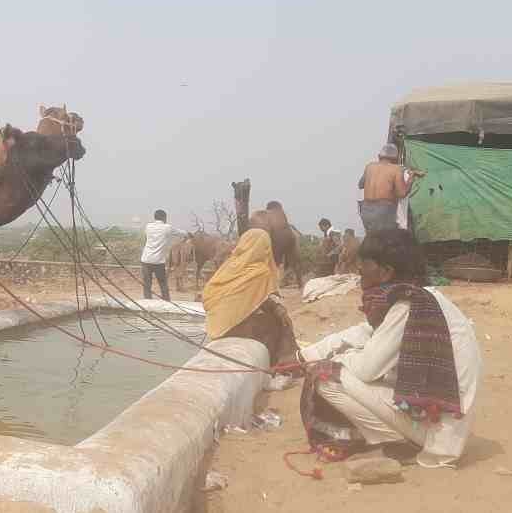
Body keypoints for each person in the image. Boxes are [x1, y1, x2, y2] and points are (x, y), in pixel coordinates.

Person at [296, 229, 481, 468]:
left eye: (365, 263)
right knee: (342, 364)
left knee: (324, 375)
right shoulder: (422, 299)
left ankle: (394, 442)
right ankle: (396, 438)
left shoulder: (408, 306)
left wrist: (335, 357)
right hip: (442, 426)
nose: (359, 268)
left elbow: (366, 370)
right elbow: (364, 333)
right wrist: (306, 354)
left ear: (386, 272)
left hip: (435, 432)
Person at [202, 221, 298, 367]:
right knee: (277, 323)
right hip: (236, 328)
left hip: (216, 326)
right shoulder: (261, 271)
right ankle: (281, 363)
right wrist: (278, 309)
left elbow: (246, 298)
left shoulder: (230, 265)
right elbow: (260, 300)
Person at [358, 143, 416, 233]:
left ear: (379, 156)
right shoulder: (396, 169)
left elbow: (360, 185)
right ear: (396, 159)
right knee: (389, 238)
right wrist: (411, 179)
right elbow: (402, 193)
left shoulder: (369, 166)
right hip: (384, 211)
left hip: (365, 211)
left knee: (372, 236)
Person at [139, 209, 187, 300]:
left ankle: (147, 302)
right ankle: (166, 301)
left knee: (147, 284)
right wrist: (189, 234)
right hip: (158, 261)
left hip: (146, 259)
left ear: (155, 217)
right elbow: (181, 233)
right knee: (163, 283)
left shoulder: (148, 226)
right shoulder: (167, 228)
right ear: (164, 218)